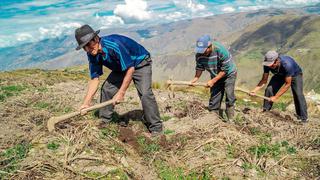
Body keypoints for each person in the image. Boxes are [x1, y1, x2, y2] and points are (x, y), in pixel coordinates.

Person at [74, 24, 163, 136]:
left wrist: (121, 92)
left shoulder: (114, 45)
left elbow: (130, 69)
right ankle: (104, 121)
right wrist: (86, 103)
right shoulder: (92, 54)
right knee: (107, 89)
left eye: (88, 44)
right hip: (121, 67)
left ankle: (156, 128)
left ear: (96, 38)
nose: (87, 49)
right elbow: (94, 79)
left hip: (140, 62)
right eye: (84, 47)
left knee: (145, 93)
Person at [250, 50, 308, 122]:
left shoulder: (287, 65)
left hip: (295, 75)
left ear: (277, 61)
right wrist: (254, 90)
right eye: (268, 64)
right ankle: (266, 111)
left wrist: (276, 97)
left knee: (298, 94)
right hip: (279, 74)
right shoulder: (267, 64)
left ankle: (303, 118)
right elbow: (264, 80)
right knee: (269, 89)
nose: (270, 66)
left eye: (272, 64)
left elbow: (287, 84)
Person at [190, 35, 237, 121]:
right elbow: (199, 68)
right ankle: (213, 118)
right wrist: (195, 78)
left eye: (204, 50)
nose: (202, 53)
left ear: (210, 46)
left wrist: (213, 80)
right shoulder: (199, 55)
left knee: (229, 94)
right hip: (215, 74)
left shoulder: (221, 50)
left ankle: (231, 119)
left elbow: (225, 69)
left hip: (229, 74)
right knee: (215, 95)